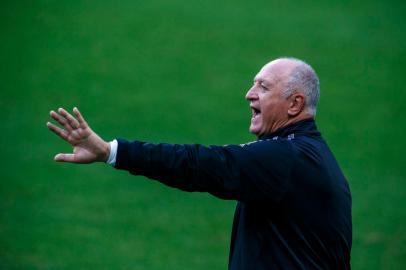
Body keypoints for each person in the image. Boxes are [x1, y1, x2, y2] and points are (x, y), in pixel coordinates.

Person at [47, 57, 352, 269]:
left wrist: (112, 151)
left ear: (295, 104)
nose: (249, 94)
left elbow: (199, 164)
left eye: (263, 87)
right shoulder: (305, 155)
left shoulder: (288, 158)